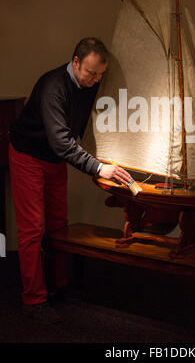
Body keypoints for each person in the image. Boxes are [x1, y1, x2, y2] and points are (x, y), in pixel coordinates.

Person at [9, 37, 131, 323]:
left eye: (100, 74)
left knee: (58, 224)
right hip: (28, 155)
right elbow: (62, 143)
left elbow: (69, 139)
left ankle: (58, 286)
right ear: (75, 62)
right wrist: (99, 168)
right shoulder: (53, 86)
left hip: (54, 159)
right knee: (32, 229)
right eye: (91, 73)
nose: (96, 80)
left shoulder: (91, 81)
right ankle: (34, 300)